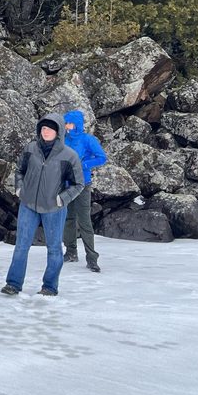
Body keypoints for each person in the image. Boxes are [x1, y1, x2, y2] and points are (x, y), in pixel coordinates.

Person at [1, 113, 85, 298]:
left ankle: (50, 286)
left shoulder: (69, 156)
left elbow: (79, 184)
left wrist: (62, 199)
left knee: (54, 248)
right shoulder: (31, 148)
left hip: (54, 208)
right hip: (28, 204)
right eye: (43, 128)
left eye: (50, 128)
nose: (46, 131)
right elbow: (19, 170)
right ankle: (13, 284)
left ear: (59, 131)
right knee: (21, 246)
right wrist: (19, 189)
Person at [62, 110, 107, 273]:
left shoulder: (88, 139)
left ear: (77, 124)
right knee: (68, 219)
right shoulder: (63, 139)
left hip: (83, 184)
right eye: (65, 123)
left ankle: (92, 258)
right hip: (67, 185)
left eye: (69, 123)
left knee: (85, 220)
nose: (66, 126)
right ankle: (70, 252)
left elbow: (102, 157)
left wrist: (84, 165)